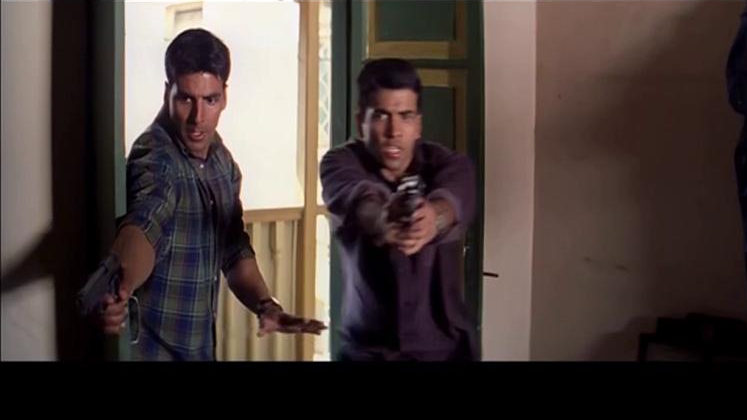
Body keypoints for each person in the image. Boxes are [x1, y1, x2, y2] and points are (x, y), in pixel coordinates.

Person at [97, 28, 324, 360]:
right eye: (186, 99)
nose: (198, 118)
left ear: (224, 97)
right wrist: (121, 283)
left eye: (210, 100)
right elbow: (145, 222)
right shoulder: (156, 157)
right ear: (167, 92)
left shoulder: (220, 160)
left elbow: (233, 249)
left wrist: (266, 305)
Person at [320, 58, 478, 361]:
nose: (394, 131)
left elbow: (454, 198)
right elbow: (358, 198)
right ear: (360, 122)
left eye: (405, 116)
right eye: (381, 116)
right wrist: (382, 218)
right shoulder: (339, 162)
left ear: (418, 124)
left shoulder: (449, 164)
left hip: (443, 352)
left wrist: (433, 219)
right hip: (367, 351)